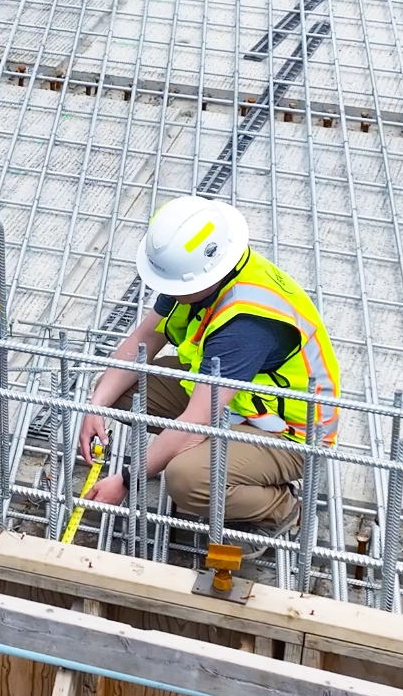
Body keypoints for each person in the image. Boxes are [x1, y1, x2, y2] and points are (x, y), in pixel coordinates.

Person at [79, 195, 340, 551]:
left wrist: (126, 480)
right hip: (237, 402)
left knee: (186, 478)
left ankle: (279, 510)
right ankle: (224, 459)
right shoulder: (199, 276)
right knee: (123, 391)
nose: (167, 292)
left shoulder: (245, 323)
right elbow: (144, 338)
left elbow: (196, 420)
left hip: (289, 432)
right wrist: (96, 405)